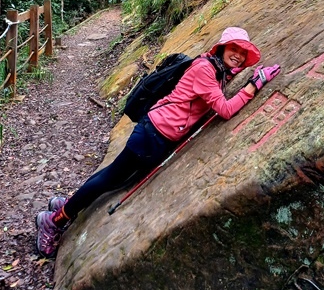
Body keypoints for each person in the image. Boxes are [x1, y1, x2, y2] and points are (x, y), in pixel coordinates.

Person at [35, 27, 280, 258]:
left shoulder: (218, 71)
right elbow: (225, 110)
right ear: (221, 48)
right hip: (153, 132)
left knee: (116, 178)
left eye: (242, 52)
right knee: (111, 178)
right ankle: (54, 221)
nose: (238, 55)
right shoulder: (206, 69)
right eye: (234, 49)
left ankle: (66, 204)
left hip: (160, 134)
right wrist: (254, 85)